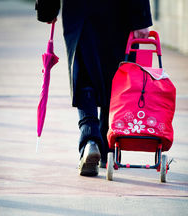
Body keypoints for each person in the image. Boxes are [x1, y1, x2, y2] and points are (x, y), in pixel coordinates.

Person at [35, 0, 152, 176]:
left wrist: (48, 8)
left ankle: (90, 139)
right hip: (119, 11)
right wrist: (141, 18)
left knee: (83, 72)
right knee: (116, 73)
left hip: (80, 10)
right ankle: (107, 146)